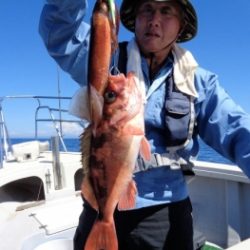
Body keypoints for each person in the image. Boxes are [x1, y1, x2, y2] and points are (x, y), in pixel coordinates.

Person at [39, 0, 250, 249]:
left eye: (166, 11)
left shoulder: (200, 83)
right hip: (101, 204)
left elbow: (236, 130)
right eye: (147, 9)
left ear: (181, 26)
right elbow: (60, 33)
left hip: (165, 211)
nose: (154, 20)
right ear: (135, 19)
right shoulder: (105, 55)